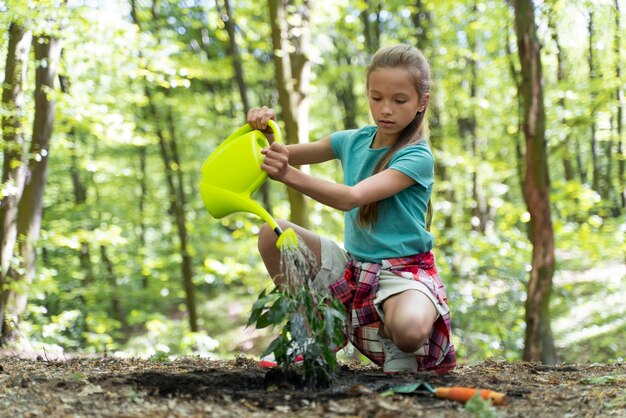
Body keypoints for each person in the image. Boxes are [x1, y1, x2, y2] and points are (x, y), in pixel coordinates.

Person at [247, 44, 456, 374]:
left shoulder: (417, 156)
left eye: (399, 100)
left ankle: (389, 334)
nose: (385, 109)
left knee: (410, 331)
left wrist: (287, 174)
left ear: (422, 103)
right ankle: (312, 332)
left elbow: (352, 197)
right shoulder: (351, 140)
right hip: (354, 268)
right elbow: (278, 152)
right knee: (273, 234)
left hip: (401, 273)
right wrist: (259, 128)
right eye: (377, 98)